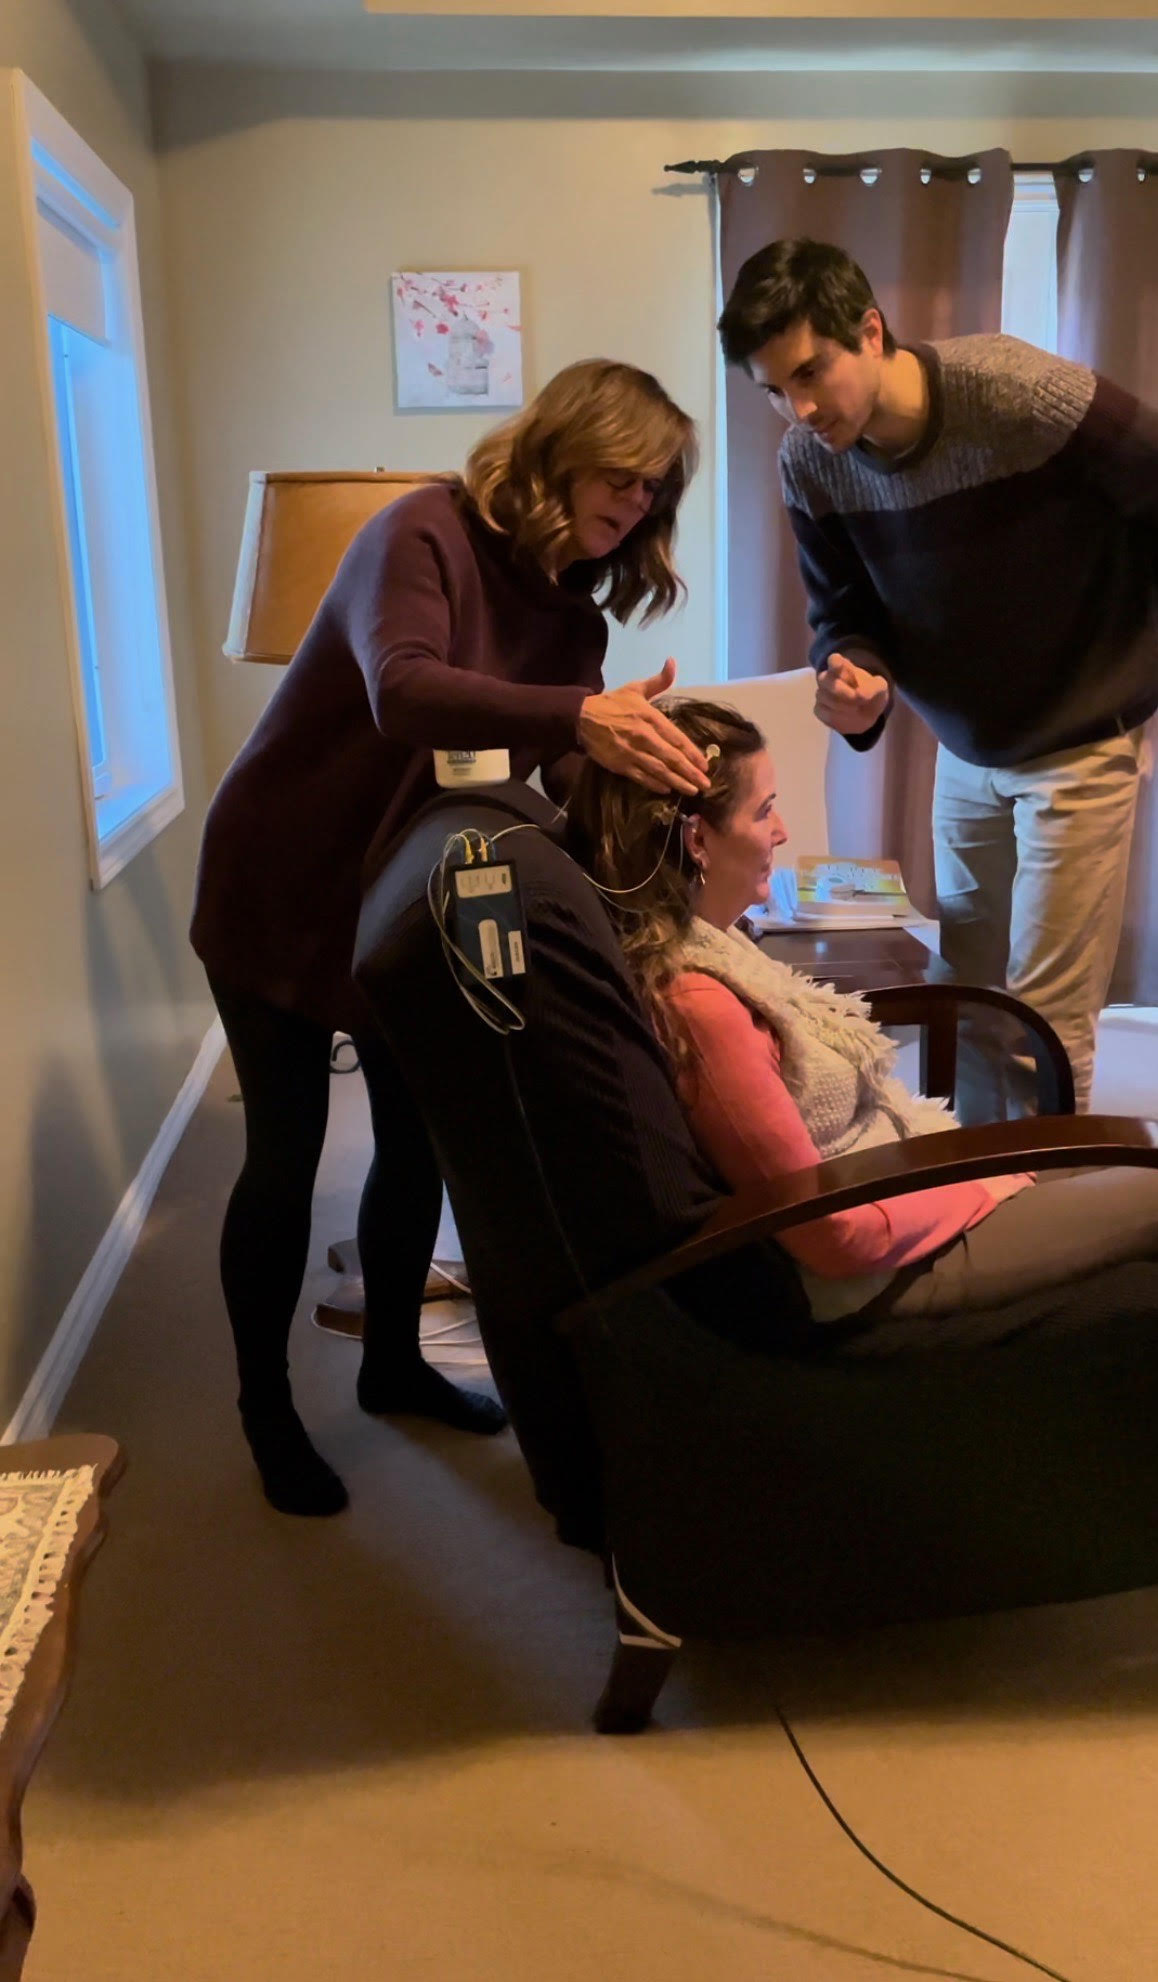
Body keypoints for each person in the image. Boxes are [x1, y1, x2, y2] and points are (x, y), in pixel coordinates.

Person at [192, 359, 711, 1516]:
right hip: (281, 873)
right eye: (621, 476)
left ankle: (391, 1360)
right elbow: (408, 692)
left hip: (409, 895)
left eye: (654, 492)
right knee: (284, 1154)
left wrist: (662, 786)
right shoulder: (418, 530)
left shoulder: (571, 611)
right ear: (560, 448)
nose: (633, 506)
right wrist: (580, 713)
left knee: (419, 1140)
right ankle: (264, 1404)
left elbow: (566, 766)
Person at [716, 236, 1158, 1112]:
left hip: (1080, 736)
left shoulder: (1019, 391)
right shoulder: (809, 462)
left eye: (810, 373)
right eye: (772, 390)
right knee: (972, 1001)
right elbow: (844, 615)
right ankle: (989, 1200)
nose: (797, 408)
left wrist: (1131, 654)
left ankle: (1046, 1224)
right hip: (966, 745)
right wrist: (852, 679)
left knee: (1044, 1020)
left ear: (871, 332)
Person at [566, 698, 1158, 1327]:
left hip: (902, 1201)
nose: (783, 830)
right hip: (878, 1279)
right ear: (699, 839)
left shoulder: (713, 945)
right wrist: (982, 1184)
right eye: (764, 810)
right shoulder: (701, 1004)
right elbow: (836, 1238)